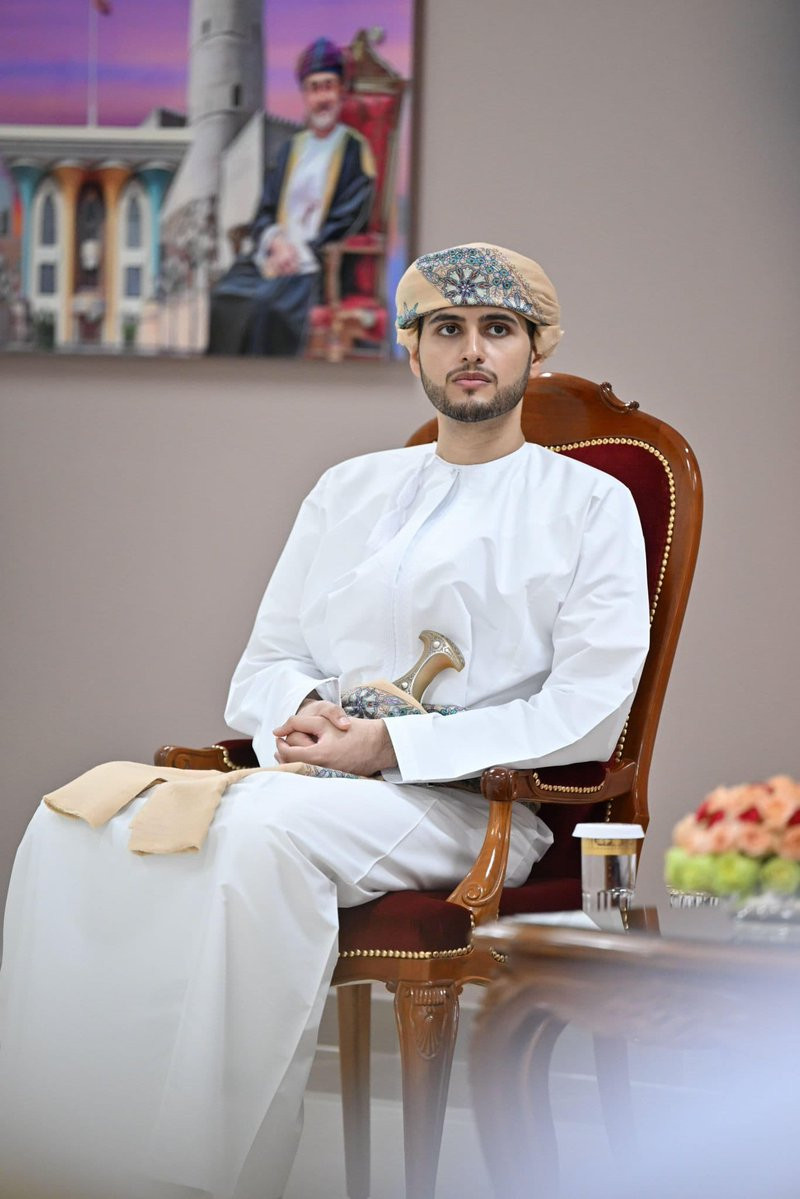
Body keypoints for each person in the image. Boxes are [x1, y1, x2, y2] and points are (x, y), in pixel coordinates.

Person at [0, 243, 651, 1199]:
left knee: (257, 835)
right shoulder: (349, 489)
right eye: (447, 328)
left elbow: (588, 709)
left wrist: (391, 743)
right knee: (76, 822)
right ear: (413, 348)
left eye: (498, 329)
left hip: (474, 807)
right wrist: (307, 721)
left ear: (536, 348)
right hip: (314, 781)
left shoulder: (590, 505)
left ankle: (199, 1176)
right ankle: (60, 1159)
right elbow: (264, 666)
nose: (472, 350)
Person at [207, 38, 375, 356]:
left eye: (328, 86)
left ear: (341, 91)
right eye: (314, 88)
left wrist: (295, 254)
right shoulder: (291, 149)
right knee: (224, 296)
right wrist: (276, 244)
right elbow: (265, 210)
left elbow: (349, 218)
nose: (321, 98)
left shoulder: (354, 151)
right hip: (275, 256)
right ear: (305, 95)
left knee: (264, 306)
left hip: (315, 267)